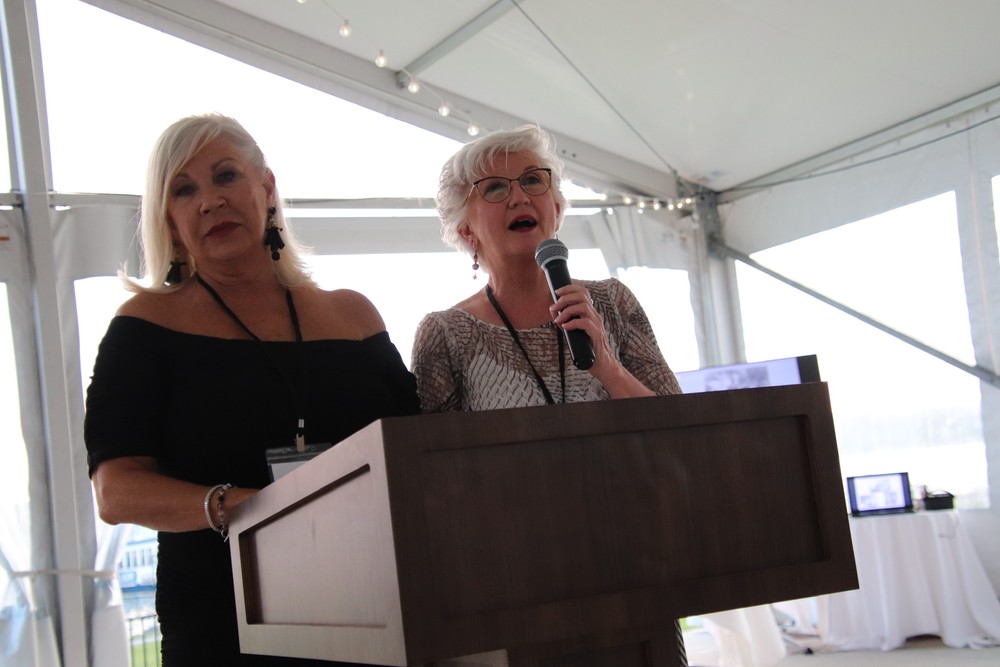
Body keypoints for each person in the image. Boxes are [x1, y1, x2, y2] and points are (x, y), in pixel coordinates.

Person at [84, 113, 420, 666]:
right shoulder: (143, 327)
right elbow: (116, 493)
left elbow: (414, 452)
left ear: (266, 188)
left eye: (225, 176)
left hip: (375, 612)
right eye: (184, 190)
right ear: (169, 220)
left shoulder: (354, 315)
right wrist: (246, 509)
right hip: (223, 625)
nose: (209, 201)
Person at [410, 125, 687, 664]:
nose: (519, 197)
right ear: (466, 230)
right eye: (494, 188)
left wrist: (607, 366)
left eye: (533, 181)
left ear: (556, 209)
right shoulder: (445, 334)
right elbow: (435, 487)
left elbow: (679, 432)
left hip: (632, 567)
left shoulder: (612, 303)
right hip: (514, 589)